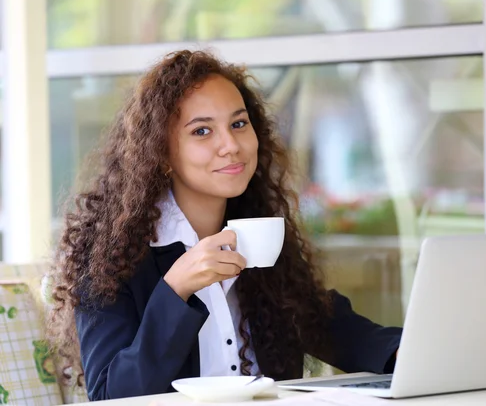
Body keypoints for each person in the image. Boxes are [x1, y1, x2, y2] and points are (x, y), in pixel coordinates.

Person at [47, 50, 403, 401]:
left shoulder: (256, 229)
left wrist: (405, 353)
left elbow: (327, 324)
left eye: (238, 124)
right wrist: (176, 290)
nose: (231, 145)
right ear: (161, 152)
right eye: (202, 131)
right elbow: (113, 395)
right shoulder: (109, 255)